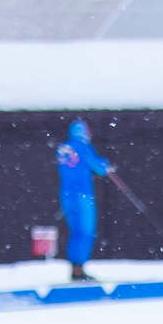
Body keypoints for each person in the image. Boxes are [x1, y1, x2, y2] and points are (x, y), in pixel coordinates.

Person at [54, 119, 112, 283]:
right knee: (86, 231)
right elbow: (100, 168)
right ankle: (79, 267)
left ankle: (75, 268)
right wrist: (105, 163)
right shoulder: (83, 147)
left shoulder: (63, 148)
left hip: (66, 195)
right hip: (83, 195)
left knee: (75, 231)